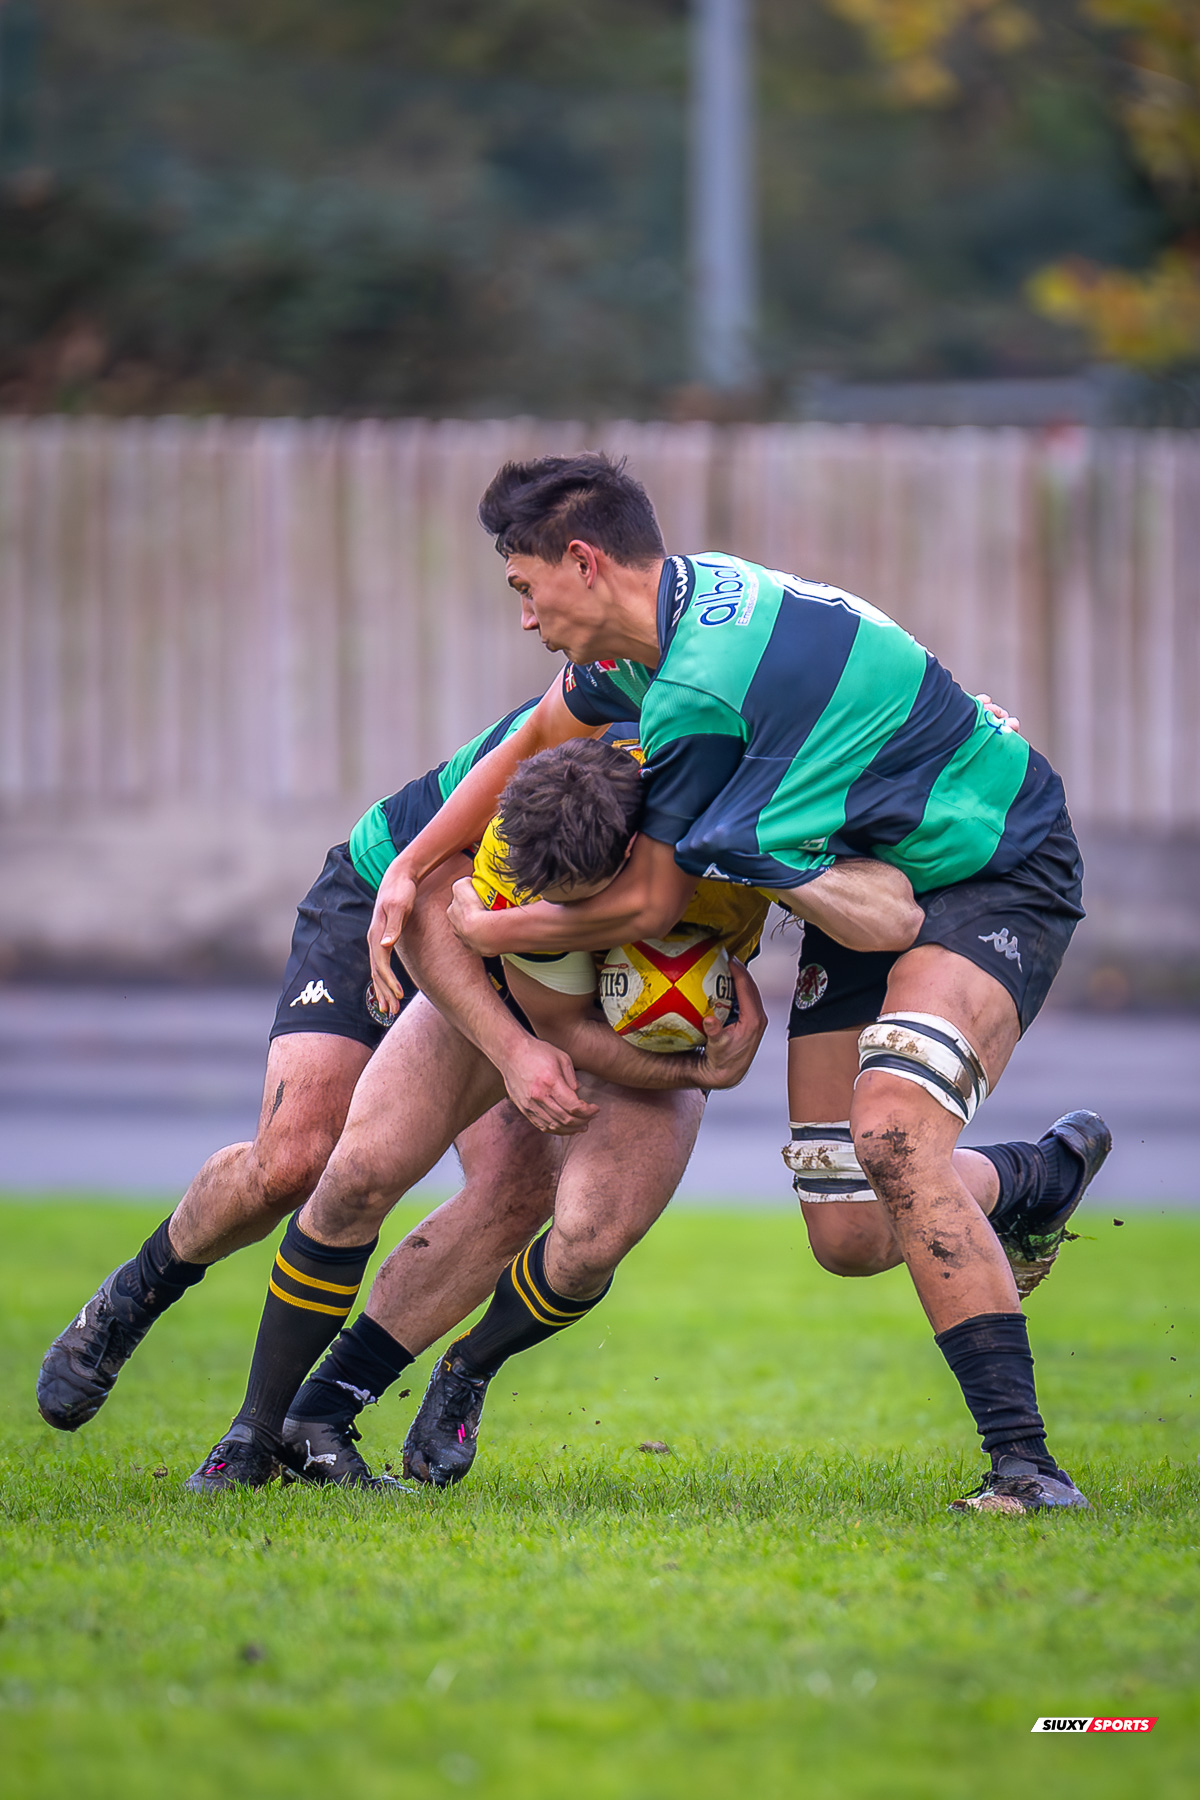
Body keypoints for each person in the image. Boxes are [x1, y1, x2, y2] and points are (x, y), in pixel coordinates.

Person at [363, 452, 1106, 1515]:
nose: (526, 617)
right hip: (851, 885)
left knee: (896, 1138)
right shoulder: (651, 636)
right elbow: (537, 731)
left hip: (989, 866)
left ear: (583, 562)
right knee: (849, 1231)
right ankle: (1029, 1182)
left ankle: (1027, 1470)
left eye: (526, 587)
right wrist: (410, 862)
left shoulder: (703, 690)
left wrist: (493, 920)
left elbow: (651, 908)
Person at [182, 738, 778, 1491]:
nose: (556, 909)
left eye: (574, 897)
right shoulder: (516, 840)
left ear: (633, 849)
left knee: (592, 1238)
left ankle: (450, 1371)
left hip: (657, 1025)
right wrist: (688, 1068)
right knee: (358, 1173)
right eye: (546, 900)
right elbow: (559, 1021)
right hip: (519, 990)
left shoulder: (742, 819)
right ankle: (256, 1430)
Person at [35, 699, 599, 1438]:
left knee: (521, 1185)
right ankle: (136, 1292)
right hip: (390, 889)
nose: (531, 622)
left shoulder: (686, 734)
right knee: (292, 1161)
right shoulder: (592, 700)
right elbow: (436, 892)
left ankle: (324, 1409)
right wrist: (517, 1049)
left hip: (501, 939)